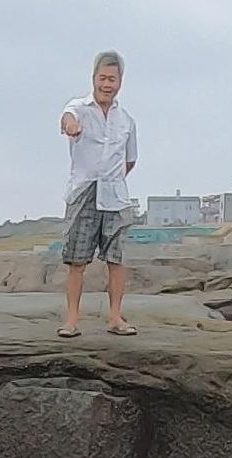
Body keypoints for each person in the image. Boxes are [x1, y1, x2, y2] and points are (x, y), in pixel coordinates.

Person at [57, 50, 138, 338]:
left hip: (115, 194)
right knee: (77, 260)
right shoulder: (79, 107)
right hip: (83, 190)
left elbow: (130, 160)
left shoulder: (126, 120)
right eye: (103, 78)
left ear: (120, 82)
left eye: (112, 79)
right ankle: (71, 320)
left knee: (116, 259)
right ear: (94, 78)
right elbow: (67, 118)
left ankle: (116, 317)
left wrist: (113, 180)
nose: (107, 84)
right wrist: (71, 126)